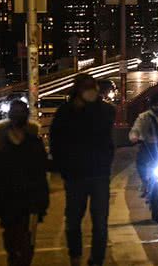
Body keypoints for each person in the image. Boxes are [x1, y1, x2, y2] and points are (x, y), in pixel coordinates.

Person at [50, 74, 116, 266]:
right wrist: (64, 168)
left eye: (92, 87)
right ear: (77, 90)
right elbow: (56, 142)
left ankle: (97, 260)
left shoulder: (104, 110)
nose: (90, 91)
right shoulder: (65, 112)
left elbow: (106, 135)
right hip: (75, 175)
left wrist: (88, 108)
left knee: (100, 223)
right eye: (86, 87)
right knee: (73, 221)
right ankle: (75, 258)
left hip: (99, 174)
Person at [0, 100, 49, 266]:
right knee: (12, 240)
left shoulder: (33, 142)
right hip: (8, 200)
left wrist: (42, 200)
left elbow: (40, 171)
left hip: (29, 200)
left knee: (26, 240)